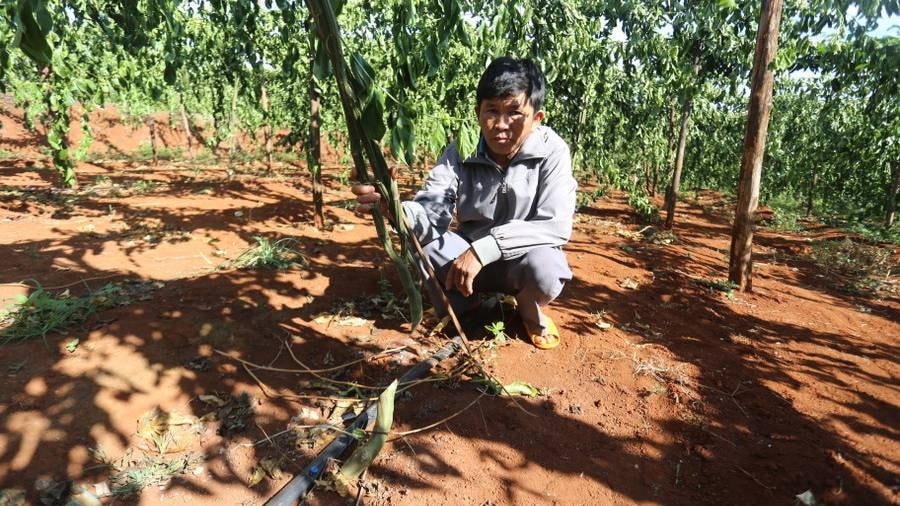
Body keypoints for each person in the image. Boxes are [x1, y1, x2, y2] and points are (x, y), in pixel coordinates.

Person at [352, 56, 576, 350]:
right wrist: (393, 208)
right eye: (491, 111)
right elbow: (433, 209)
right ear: (477, 112)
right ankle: (460, 303)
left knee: (547, 268)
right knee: (424, 244)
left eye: (514, 113)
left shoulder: (553, 151)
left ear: (537, 118)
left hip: (520, 260)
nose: (500, 125)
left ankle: (527, 311)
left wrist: (486, 249)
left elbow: (555, 225)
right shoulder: (461, 150)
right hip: (464, 261)